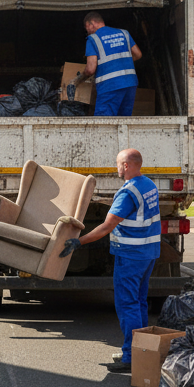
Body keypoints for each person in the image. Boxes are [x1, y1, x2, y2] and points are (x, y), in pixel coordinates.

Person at [59, 148, 160, 373]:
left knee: (128, 304)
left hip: (130, 255)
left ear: (126, 165)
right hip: (148, 253)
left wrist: (78, 242)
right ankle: (142, 351)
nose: (116, 168)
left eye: (117, 164)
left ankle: (130, 357)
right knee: (140, 302)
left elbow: (106, 226)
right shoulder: (148, 185)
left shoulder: (127, 193)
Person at [67, 11, 143, 116]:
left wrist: (79, 79)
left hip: (109, 86)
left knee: (103, 124)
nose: (87, 31)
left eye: (86, 28)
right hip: (130, 83)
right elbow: (138, 54)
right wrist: (121, 63)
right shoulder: (124, 33)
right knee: (124, 121)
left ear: (91, 23)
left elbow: (90, 69)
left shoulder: (93, 39)